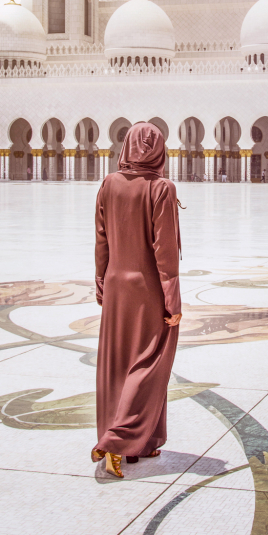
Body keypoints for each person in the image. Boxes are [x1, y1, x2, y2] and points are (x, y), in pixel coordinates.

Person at [91, 121, 182, 479]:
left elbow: (102, 241)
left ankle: (143, 442)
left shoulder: (109, 184)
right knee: (149, 364)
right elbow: (166, 252)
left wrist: (102, 283)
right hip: (147, 290)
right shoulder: (161, 189)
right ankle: (117, 441)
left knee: (118, 365)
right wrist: (172, 300)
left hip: (116, 286)